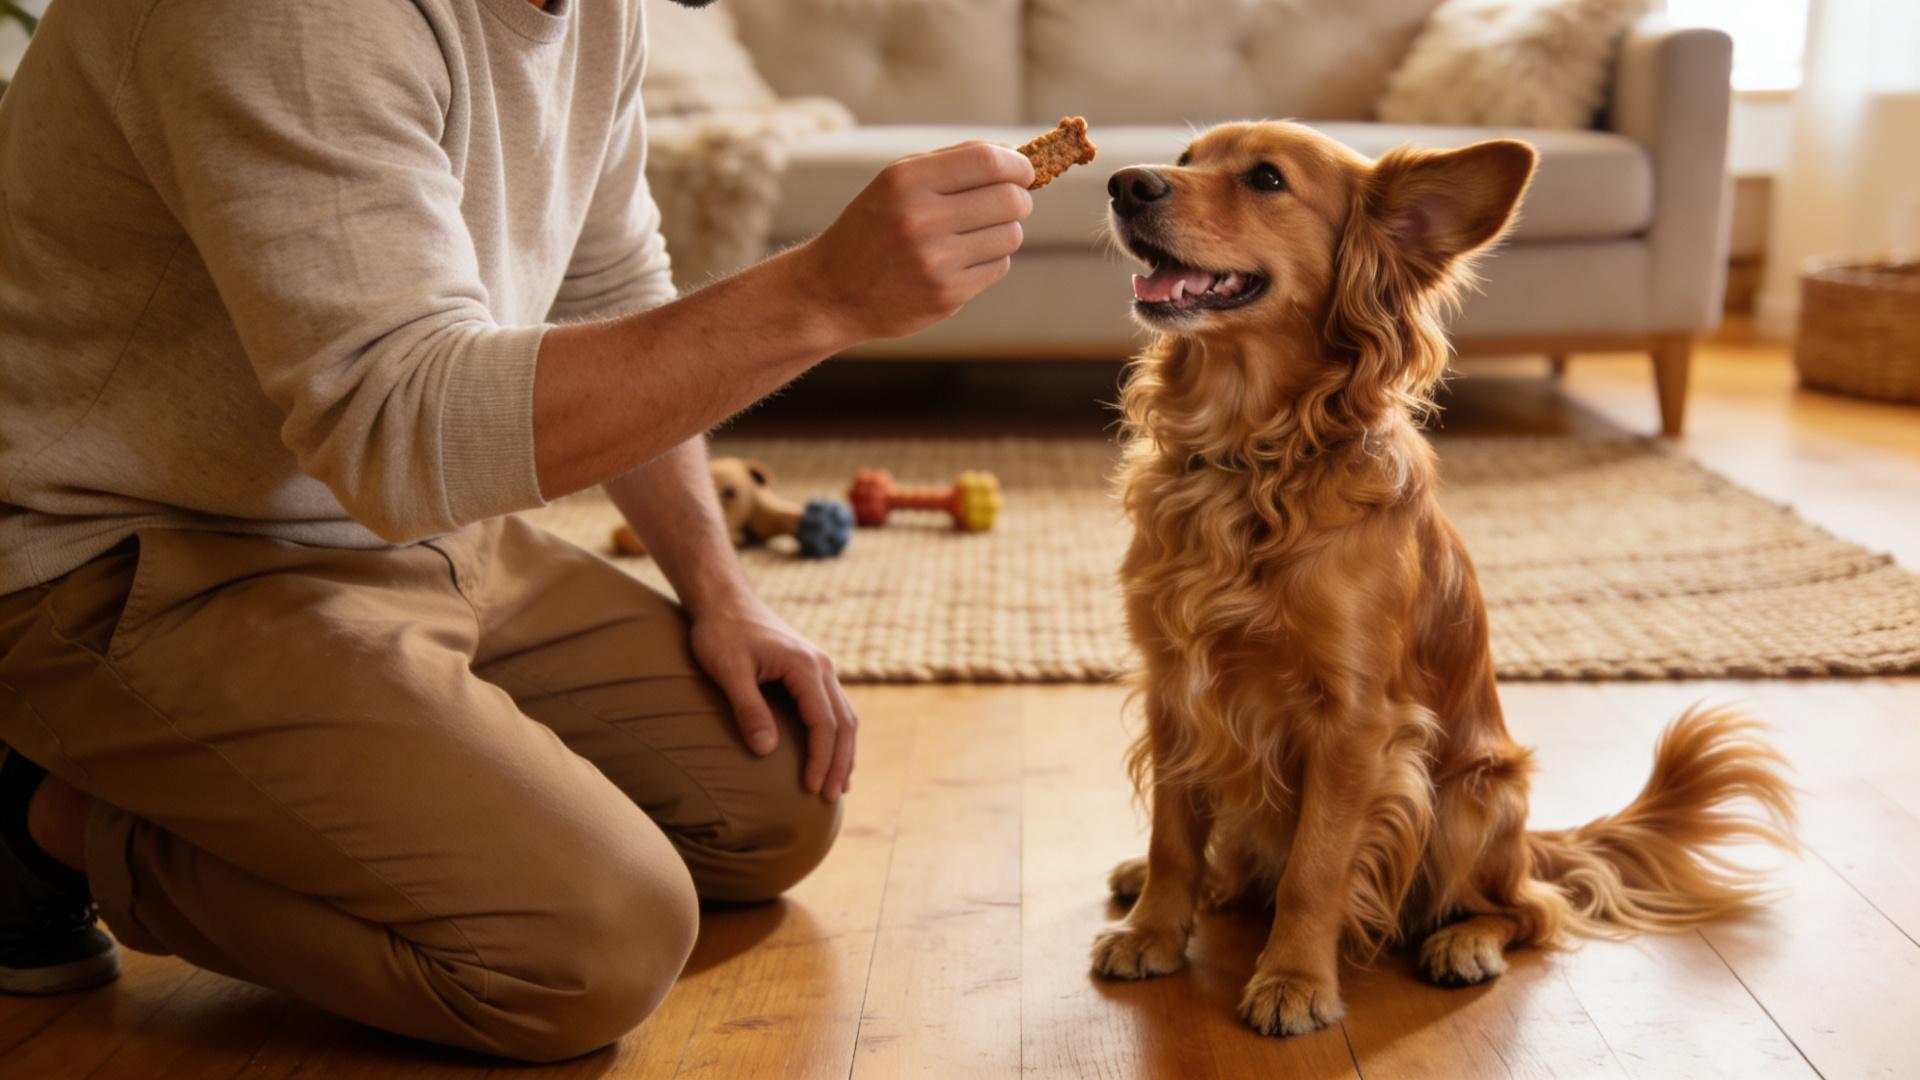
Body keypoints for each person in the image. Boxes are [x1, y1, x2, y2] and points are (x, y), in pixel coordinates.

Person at [0, 0, 1033, 1061]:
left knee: (773, 801)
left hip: (406, 530)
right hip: (130, 557)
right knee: (590, 952)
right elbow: (398, 430)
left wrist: (721, 591)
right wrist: (822, 295)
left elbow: (609, 294)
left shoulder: (591, 8)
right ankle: (46, 822)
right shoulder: (285, 18)